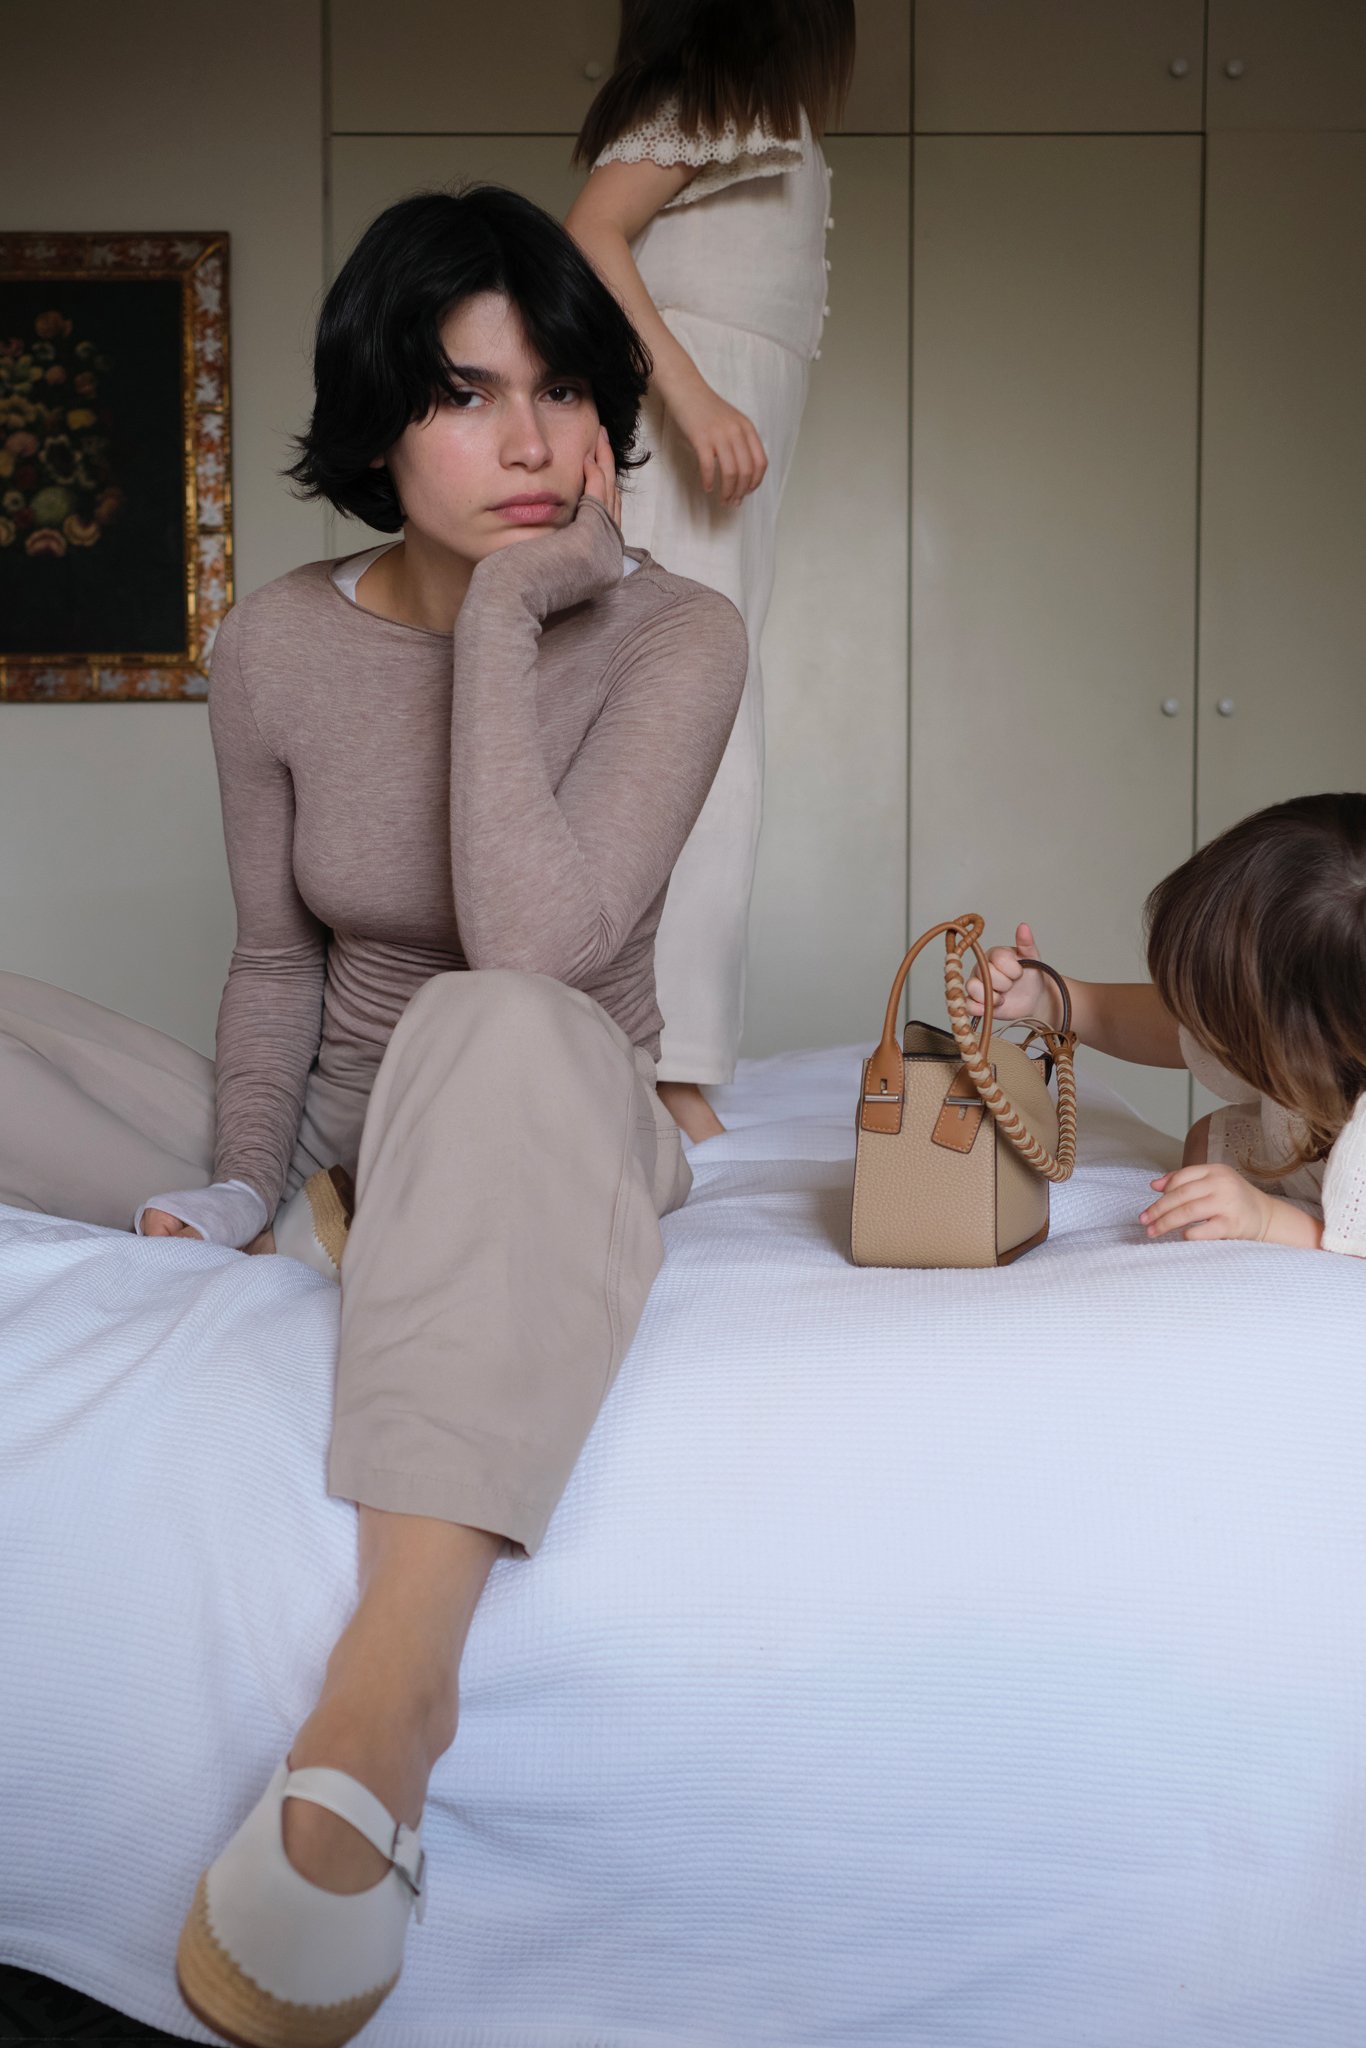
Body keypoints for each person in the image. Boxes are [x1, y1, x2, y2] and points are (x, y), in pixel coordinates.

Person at [0, 186, 746, 2046]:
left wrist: (500, 624)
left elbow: (538, 947)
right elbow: (271, 958)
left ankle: (390, 1694)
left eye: (567, 392)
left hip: (550, 1099)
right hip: (340, 1139)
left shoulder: (680, 635)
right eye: (469, 393)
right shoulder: (271, 647)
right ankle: (310, 1210)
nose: (531, 441)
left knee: (494, 1015)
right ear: (374, 418)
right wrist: (248, 1182)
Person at [565, 0, 855, 1142]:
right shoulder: (717, 100)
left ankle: (656, 1051)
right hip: (678, 443)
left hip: (716, 455)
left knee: (697, 721)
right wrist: (686, 396)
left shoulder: (761, 118)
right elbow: (589, 230)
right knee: (689, 728)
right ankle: (655, 1059)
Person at [967, 794, 1366, 1258]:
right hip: (1308, 1153)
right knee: (1206, 1144)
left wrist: (1269, 1221)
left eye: (1220, 1017)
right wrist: (1053, 998)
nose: (1199, 1032)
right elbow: (1166, 1029)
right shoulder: (1321, 1033)